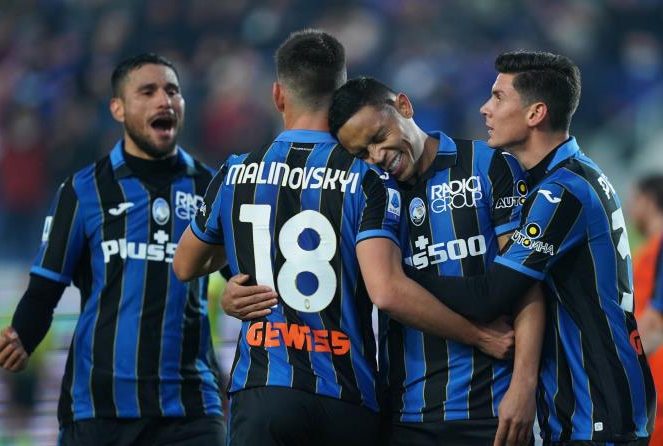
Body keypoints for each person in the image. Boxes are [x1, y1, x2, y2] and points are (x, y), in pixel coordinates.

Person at [173, 29, 514, 446]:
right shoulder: (369, 178)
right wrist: (480, 335)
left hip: (264, 387)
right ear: (341, 96)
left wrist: (240, 277)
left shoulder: (236, 172)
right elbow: (386, 289)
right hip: (348, 393)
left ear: (278, 95)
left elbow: (185, 265)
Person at [396, 51, 655, 445]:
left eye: (499, 97)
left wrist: (399, 278)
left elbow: (491, 295)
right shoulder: (575, 174)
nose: (485, 108)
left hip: (596, 406)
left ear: (536, 113)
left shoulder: (561, 192)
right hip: (593, 401)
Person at [0, 53, 225, 446]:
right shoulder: (83, 190)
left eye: (172, 91)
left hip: (191, 410)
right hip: (98, 411)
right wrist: (23, 336)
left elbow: (246, 275)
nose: (164, 100)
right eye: (147, 91)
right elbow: (45, 289)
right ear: (118, 108)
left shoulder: (213, 188)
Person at [324, 76, 544, 446]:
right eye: (361, 153)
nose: (376, 156)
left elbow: (527, 283)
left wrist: (525, 384)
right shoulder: (370, 196)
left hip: (493, 409)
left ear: (404, 106)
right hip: (406, 415)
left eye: (379, 136)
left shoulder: (487, 164)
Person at [629, 174, 663, 446]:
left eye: (634, 199)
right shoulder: (649, 250)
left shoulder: (657, 249)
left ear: (648, 201)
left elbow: (654, 324)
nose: (630, 208)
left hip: (656, 378)